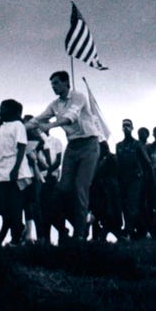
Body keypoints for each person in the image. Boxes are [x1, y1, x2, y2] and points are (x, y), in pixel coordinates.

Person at [33, 71, 103, 243]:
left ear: (66, 83)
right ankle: (80, 222)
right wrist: (21, 125)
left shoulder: (78, 97)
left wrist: (50, 125)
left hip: (88, 144)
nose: (53, 87)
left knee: (80, 187)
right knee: (63, 189)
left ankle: (79, 234)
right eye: (52, 84)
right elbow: (39, 118)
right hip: (72, 146)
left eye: (56, 83)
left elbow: (70, 117)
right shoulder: (55, 104)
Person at [0, 99, 30, 245]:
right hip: (1, 173)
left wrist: (15, 169)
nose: (0, 111)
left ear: (13, 111)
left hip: (15, 172)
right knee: (2, 205)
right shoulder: (2, 127)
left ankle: (16, 236)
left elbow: (21, 147)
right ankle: (9, 232)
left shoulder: (18, 125)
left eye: (3, 108)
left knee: (15, 206)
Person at [115, 119, 154, 240]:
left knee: (133, 205)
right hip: (123, 179)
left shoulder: (137, 144)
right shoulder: (119, 146)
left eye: (128, 126)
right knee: (126, 206)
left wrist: (152, 181)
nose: (126, 128)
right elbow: (118, 164)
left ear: (132, 128)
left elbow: (147, 163)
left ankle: (127, 232)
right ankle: (141, 232)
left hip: (136, 179)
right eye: (124, 126)